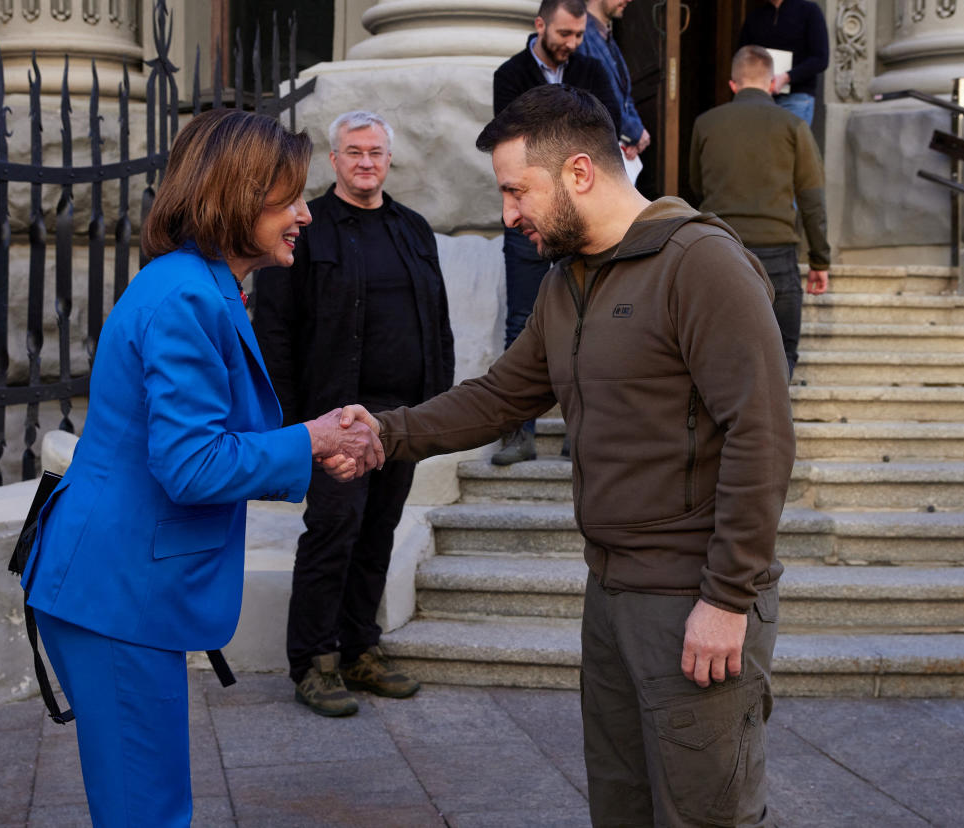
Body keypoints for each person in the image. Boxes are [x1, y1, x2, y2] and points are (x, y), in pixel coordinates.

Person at [339, 84, 794, 827]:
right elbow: (499, 397)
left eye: (518, 191)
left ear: (579, 173)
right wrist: (385, 436)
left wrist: (726, 598)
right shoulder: (566, 282)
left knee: (705, 816)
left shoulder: (701, 263)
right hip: (610, 597)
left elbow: (763, 434)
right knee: (622, 808)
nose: (509, 214)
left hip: (693, 600)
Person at [17, 109, 383, 827]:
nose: (306, 214)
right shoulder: (185, 295)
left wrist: (309, 453)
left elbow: (206, 443)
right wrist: (310, 439)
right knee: (147, 814)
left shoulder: (199, 283)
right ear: (234, 197)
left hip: (116, 591)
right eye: (288, 198)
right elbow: (191, 465)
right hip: (114, 596)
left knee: (149, 806)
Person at [254, 111, 455, 717]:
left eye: (376, 153)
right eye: (354, 152)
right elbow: (276, 329)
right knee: (333, 533)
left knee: (377, 535)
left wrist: (435, 412)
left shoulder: (414, 229)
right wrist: (293, 423)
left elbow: (438, 325)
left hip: (402, 420)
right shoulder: (308, 230)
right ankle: (314, 663)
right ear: (334, 161)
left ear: (388, 160)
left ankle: (360, 649)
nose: (366, 162)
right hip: (333, 419)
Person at [490, 0, 621, 465]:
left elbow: (608, 129)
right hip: (528, 220)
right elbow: (511, 142)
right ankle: (516, 434)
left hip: (580, 218)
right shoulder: (510, 74)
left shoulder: (590, 68)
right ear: (540, 25)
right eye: (564, 33)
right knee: (520, 319)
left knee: (591, 319)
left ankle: (579, 430)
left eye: (579, 35)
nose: (572, 44)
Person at [690, 44, 830, 378]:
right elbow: (811, 200)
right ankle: (767, 426)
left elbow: (696, 186)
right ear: (772, 85)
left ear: (732, 85)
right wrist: (820, 261)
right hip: (777, 254)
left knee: (719, 352)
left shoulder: (705, 124)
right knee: (780, 357)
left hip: (720, 250)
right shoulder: (794, 125)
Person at [576, 0, 650, 181]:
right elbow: (590, 97)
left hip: (615, 149)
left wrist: (635, 133)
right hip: (594, 154)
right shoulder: (579, 34)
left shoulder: (606, 36)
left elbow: (625, 97)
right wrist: (632, 133)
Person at [738, 0, 829, 126]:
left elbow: (820, 59)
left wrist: (786, 77)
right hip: (759, 97)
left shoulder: (809, 11)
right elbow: (743, 57)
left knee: (787, 145)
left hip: (796, 98)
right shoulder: (755, 16)